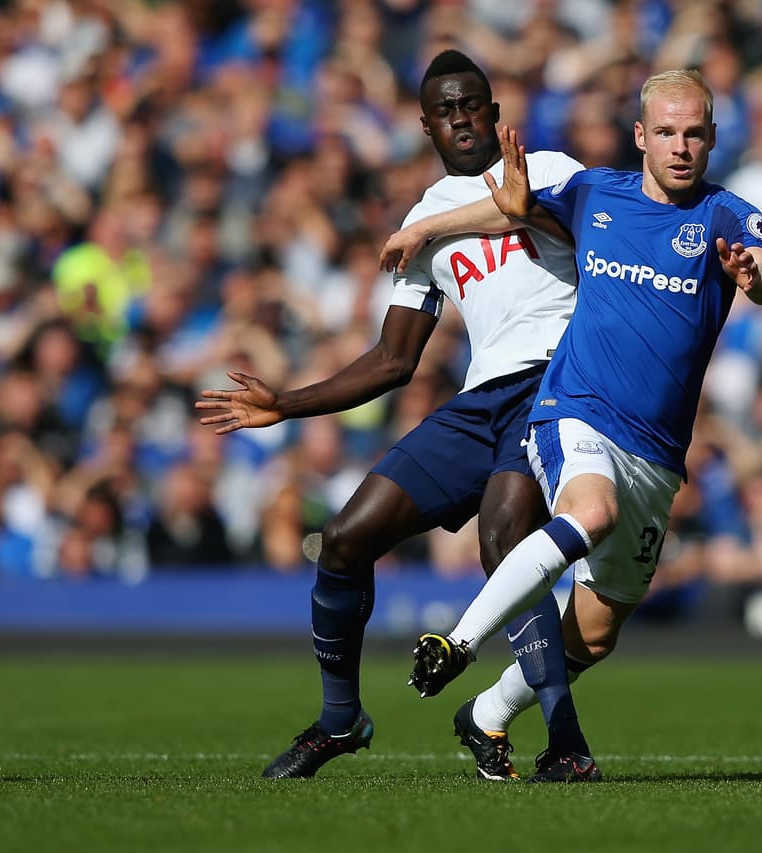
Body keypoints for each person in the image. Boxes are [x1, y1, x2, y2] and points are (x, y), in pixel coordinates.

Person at [195, 50, 594, 783]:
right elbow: (392, 360)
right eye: (445, 110)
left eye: (472, 104)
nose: (462, 118)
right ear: (426, 126)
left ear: (495, 111)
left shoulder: (554, 170)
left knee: (506, 534)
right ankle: (341, 719)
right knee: (344, 538)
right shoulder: (424, 220)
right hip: (481, 401)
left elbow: (597, 238)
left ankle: (565, 742)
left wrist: (497, 209)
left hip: (557, 385)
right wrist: (285, 402)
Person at [387, 69, 762, 779]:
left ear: (714, 137)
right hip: (575, 409)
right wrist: (424, 228)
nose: (681, 146)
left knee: (596, 632)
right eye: (666, 132)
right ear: (641, 136)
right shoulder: (596, 193)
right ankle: (460, 641)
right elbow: (507, 209)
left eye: (694, 132)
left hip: (657, 453)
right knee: (589, 510)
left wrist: (756, 273)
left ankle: (486, 713)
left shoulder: (728, 216)